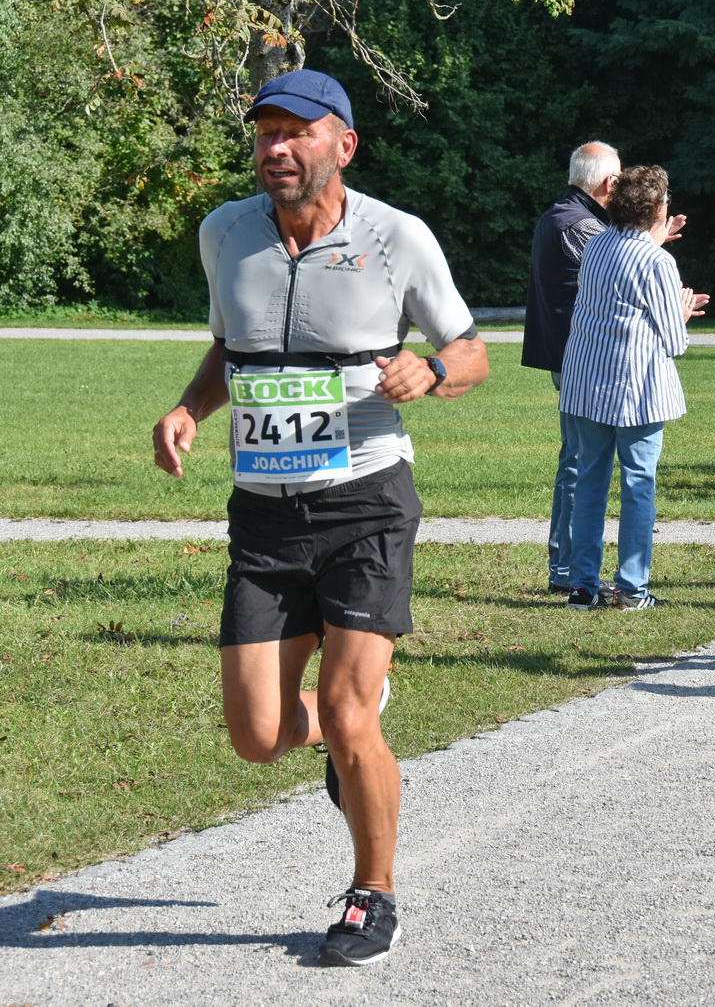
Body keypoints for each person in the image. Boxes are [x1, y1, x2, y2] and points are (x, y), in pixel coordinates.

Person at [151, 69, 489, 965]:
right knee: (256, 736)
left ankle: (372, 894)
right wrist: (190, 408)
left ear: (343, 143)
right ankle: (355, 724)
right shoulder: (224, 234)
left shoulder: (396, 239)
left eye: (297, 132)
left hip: (366, 501)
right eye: (265, 132)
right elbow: (234, 347)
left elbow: (471, 348)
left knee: (343, 712)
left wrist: (435, 372)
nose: (275, 148)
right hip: (263, 515)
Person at [559, 166, 708, 610]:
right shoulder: (658, 261)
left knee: (589, 482)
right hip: (635, 390)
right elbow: (674, 340)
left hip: (587, 380)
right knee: (638, 484)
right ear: (659, 209)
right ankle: (630, 588)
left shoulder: (598, 243)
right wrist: (680, 309)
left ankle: (582, 586)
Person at [523, 141, 620, 594]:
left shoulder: (561, 215)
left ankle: (563, 564)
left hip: (569, 357)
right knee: (582, 462)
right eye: (619, 179)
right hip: (580, 359)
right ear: (607, 182)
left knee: (576, 459)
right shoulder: (580, 225)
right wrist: (652, 242)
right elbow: (616, 278)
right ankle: (565, 567)